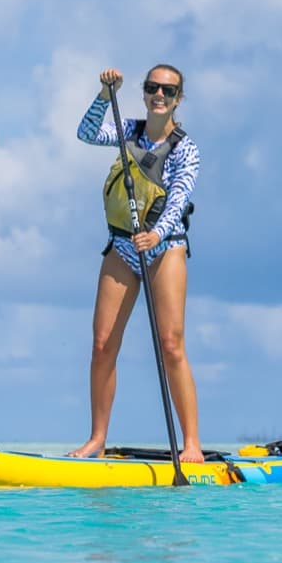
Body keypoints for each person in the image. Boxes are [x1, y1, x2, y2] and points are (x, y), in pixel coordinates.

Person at [71, 65, 204, 463]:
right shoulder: (127, 128)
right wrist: (103, 93)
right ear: (144, 94)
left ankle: (192, 444)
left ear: (178, 98)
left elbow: (178, 198)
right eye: (152, 89)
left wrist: (157, 235)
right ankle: (97, 439)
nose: (159, 95)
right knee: (102, 343)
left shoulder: (186, 148)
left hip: (166, 246)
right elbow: (87, 133)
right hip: (123, 246)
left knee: (171, 345)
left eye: (168, 90)